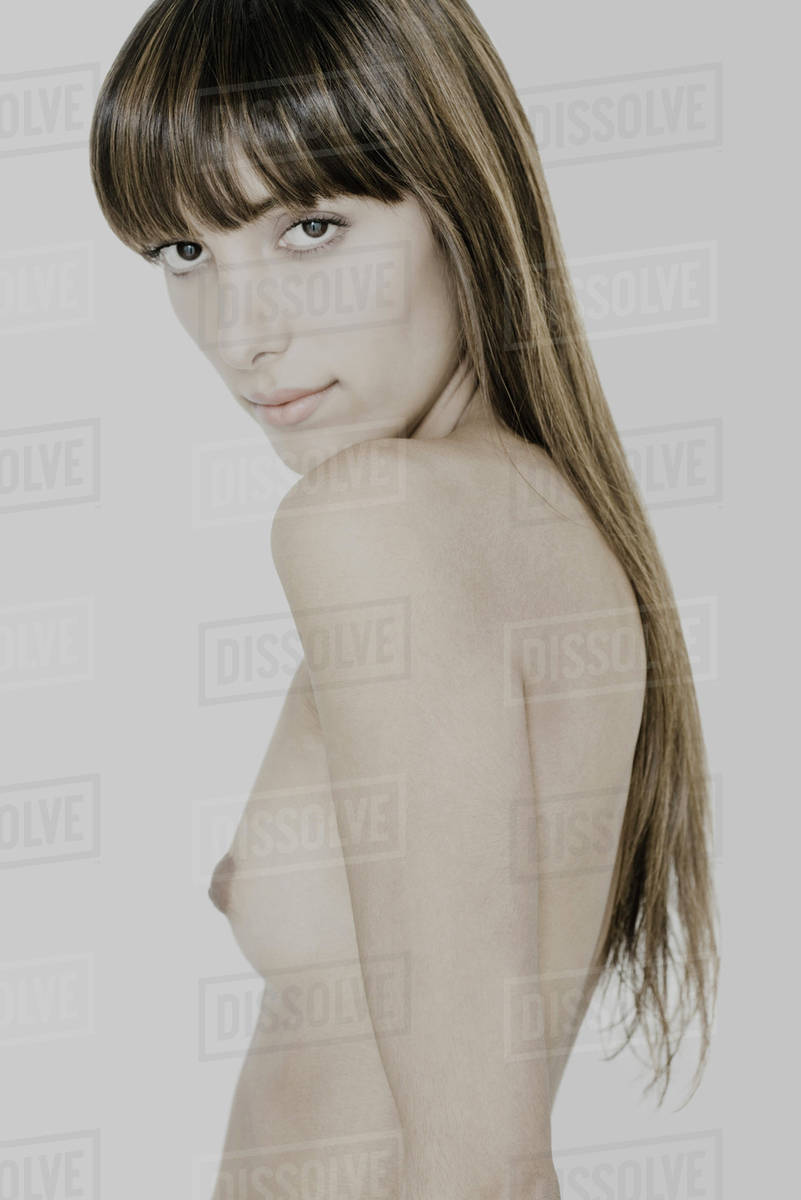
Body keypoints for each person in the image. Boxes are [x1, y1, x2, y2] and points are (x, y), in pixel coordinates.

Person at [89, 2, 718, 1196]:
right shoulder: (514, 512)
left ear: (458, 203)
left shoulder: (375, 524)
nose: (241, 334)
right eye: (185, 253)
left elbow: (485, 1169)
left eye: (311, 227)